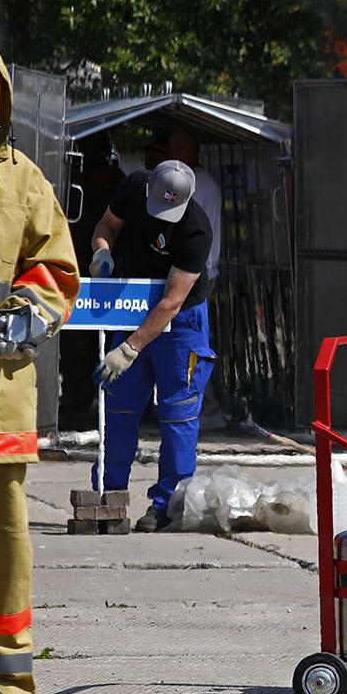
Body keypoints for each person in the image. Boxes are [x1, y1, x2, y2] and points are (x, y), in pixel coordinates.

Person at [0, 52, 81, 694]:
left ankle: (9, 689)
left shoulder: (21, 181)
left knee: (7, 541)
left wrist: (19, 314)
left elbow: (56, 267)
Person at [87, 159, 216, 533]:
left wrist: (129, 349)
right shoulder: (132, 187)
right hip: (130, 304)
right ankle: (108, 495)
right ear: (147, 189)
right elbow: (106, 226)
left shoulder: (195, 230)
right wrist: (102, 252)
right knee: (120, 404)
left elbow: (171, 303)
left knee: (177, 413)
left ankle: (167, 504)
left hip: (180, 321)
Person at [162, 131, 222, 281]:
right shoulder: (204, 180)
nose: (165, 155)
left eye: (169, 149)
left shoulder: (194, 183)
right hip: (200, 268)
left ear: (183, 151)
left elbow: (178, 221)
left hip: (193, 271)